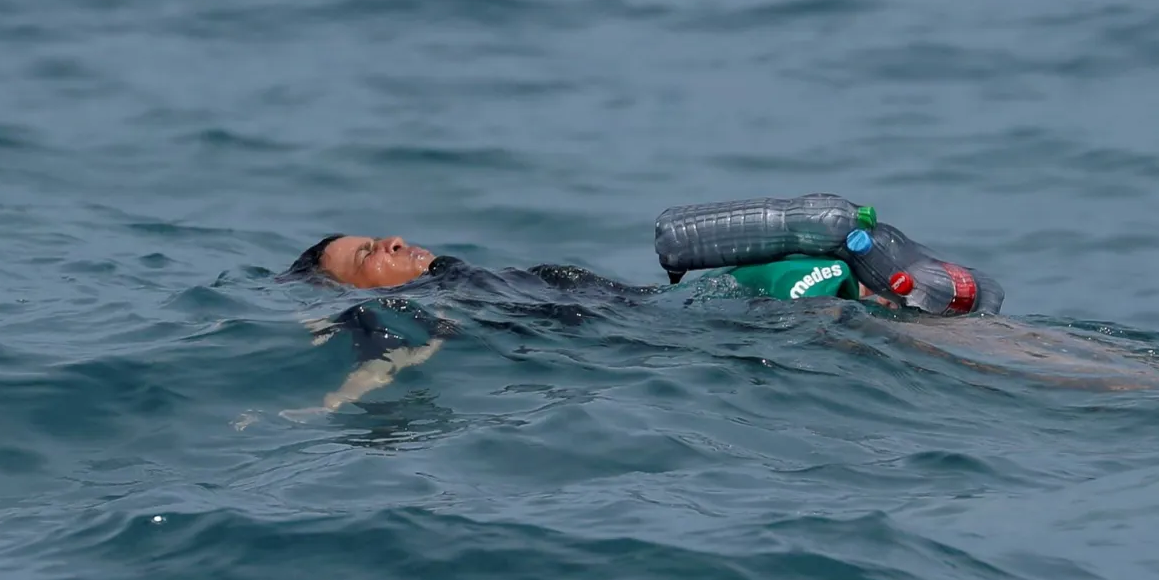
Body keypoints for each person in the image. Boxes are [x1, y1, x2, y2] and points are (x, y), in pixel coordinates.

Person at [279, 233, 870, 411]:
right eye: (366, 255)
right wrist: (329, 404)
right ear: (346, 291)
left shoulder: (462, 280)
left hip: (672, 310)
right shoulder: (425, 306)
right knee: (846, 312)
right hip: (671, 335)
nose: (392, 240)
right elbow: (400, 355)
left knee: (851, 286)